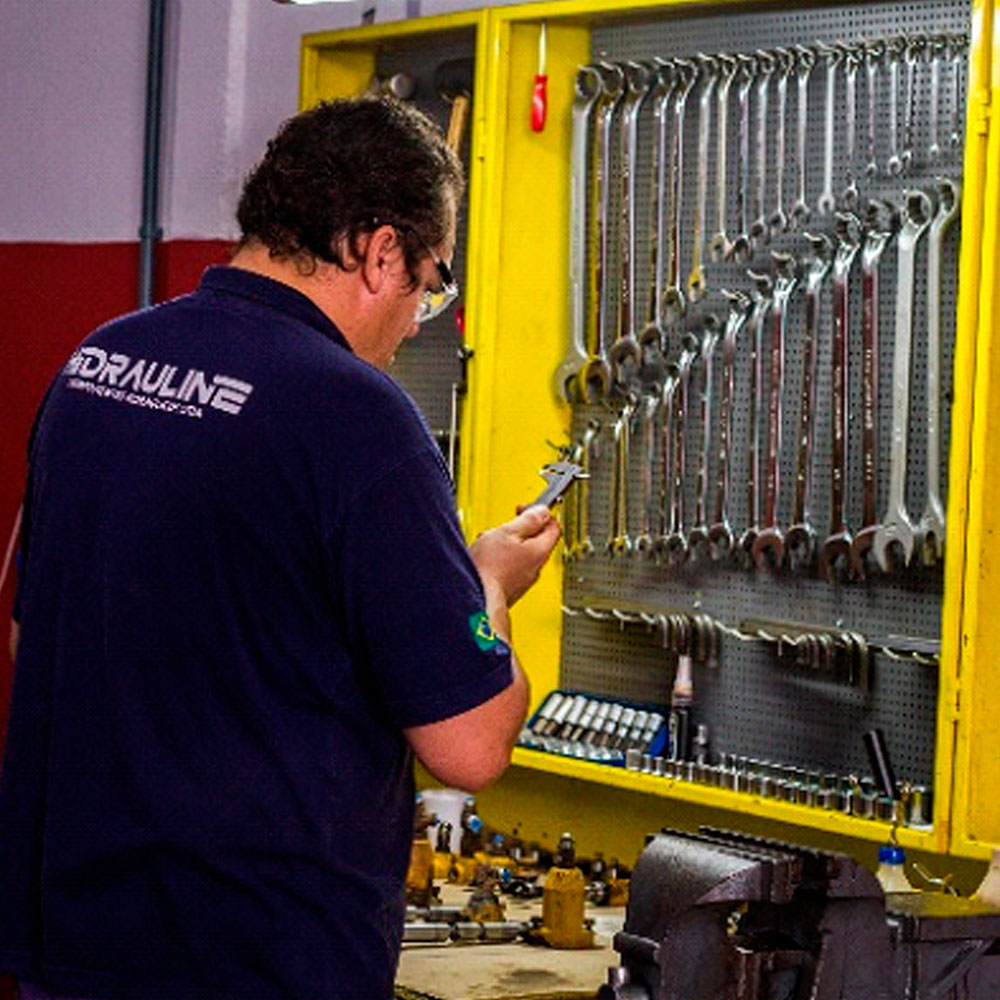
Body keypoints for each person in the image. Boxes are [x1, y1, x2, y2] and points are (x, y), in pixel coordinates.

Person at [0, 97, 561, 1000]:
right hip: (259, 962)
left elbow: (35, 641)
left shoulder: (96, 366)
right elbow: (473, 745)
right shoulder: (360, 417)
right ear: (381, 251)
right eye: (430, 283)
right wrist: (490, 581)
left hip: (74, 943)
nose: (419, 317)